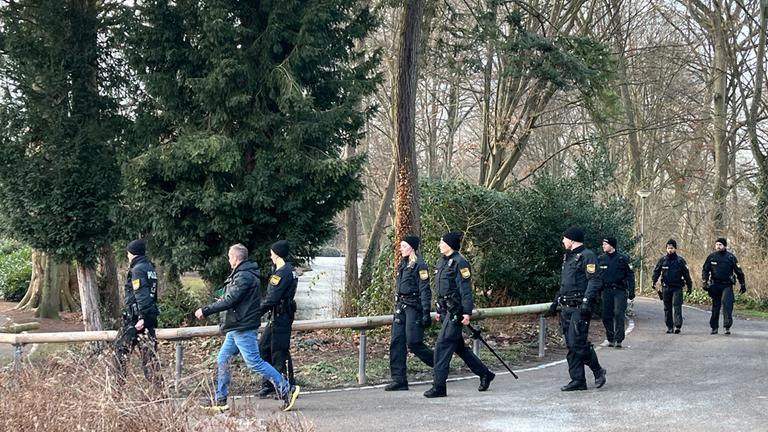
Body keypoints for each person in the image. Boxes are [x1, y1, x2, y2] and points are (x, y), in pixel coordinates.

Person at [194, 243, 300, 412]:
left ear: (235, 258)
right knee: (223, 359)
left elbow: (231, 300)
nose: (229, 260)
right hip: (235, 326)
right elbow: (230, 297)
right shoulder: (241, 274)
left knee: (255, 362)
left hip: (242, 326)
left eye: (230, 257)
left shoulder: (244, 276)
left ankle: (287, 388)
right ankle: (221, 400)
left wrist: (206, 310)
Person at [424, 231, 495, 398]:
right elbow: (442, 290)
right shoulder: (442, 262)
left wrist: (466, 312)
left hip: (456, 312)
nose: (439, 245)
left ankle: (439, 386)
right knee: (459, 348)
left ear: (449, 244)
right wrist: (440, 310)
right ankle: (485, 374)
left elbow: (465, 290)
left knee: (442, 346)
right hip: (446, 311)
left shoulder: (460, 262)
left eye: (442, 242)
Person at [546, 226, 606, 391]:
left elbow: (595, 280)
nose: (563, 241)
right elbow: (565, 283)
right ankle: (578, 380)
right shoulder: (569, 257)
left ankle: (598, 370)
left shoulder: (587, 256)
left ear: (572, 239)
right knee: (571, 345)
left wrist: (587, 301)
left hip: (579, 307)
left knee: (576, 342)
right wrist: (555, 301)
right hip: (566, 306)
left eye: (564, 238)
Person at [385, 235, 434, 391]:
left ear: (412, 247)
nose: (401, 249)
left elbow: (425, 290)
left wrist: (426, 311)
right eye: (400, 246)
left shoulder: (420, 265)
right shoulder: (402, 265)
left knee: (414, 343)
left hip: (414, 307)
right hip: (401, 307)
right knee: (396, 342)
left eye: (404, 246)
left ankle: (439, 364)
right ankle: (399, 380)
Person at [113, 239, 161, 385]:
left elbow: (142, 295)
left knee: (120, 349)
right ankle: (159, 393)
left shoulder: (137, 270)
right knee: (150, 357)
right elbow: (154, 295)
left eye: (128, 254)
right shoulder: (149, 268)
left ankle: (117, 390)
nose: (127, 257)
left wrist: (141, 318)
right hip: (149, 316)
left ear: (132, 253)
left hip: (137, 318)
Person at [257, 240, 299, 399]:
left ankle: (286, 385)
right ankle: (269, 383)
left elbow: (272, 299)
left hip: (282, 316)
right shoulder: (283, 269)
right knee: (264, 347)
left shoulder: (284, 273)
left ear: (277, 254)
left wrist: (255, 313)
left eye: (272, 252)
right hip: (277, 316)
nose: (270, 255)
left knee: (279, 351)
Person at [701, 238, 746, 335]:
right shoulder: (711, 257)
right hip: (715, 284)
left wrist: (742, 284)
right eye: (716, 244)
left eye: (720, 244)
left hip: (727, 285)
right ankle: (714, 327)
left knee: (727, 304)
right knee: (716, 306)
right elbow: (705, 270)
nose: (718, 246)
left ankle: (727, 326)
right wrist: (704, 281)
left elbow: (739, 271)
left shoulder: (730, 257)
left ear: (725, 246)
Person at [597, 237, 635, 348]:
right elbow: (596, 277)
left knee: (619, 313)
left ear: (612, 245)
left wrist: (631, 290)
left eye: (605, 244)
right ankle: (611, 338)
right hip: (606, 290)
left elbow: (630, 275)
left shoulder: (623, 258)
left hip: (620, 290)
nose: (603, 246)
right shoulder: (600, 259)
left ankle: (619, 339)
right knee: (606, 315)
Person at [651, 239, 693, 334]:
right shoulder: (663, 260)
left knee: (677, 305)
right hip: (666, 287)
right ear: (666, 249)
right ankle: (669, 326)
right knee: (667, 307)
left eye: (672, 248)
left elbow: (686, 274)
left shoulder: (680, 261)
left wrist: (689, 286)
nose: (670, 250)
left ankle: (677, 326)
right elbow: (656, 272)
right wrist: (654, 282)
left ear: (675, 249)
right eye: (668, 248)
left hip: (677, 287)